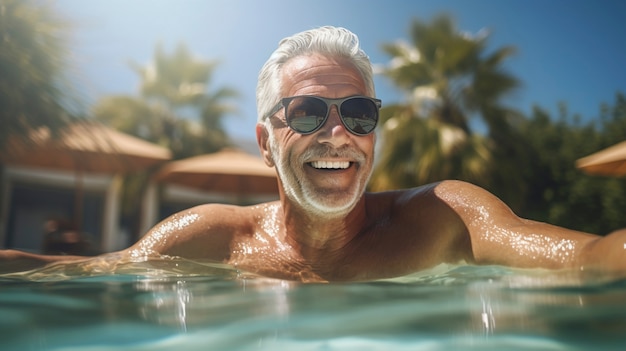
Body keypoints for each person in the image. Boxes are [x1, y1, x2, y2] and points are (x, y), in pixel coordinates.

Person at [1, 26, 624, 281]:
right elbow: (76, 274)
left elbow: (591, 258)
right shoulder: (211, 238)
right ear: (267, 143)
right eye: (305, 113)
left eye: (358, 113)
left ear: (373, 132)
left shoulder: (444, 220)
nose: (337, 134)